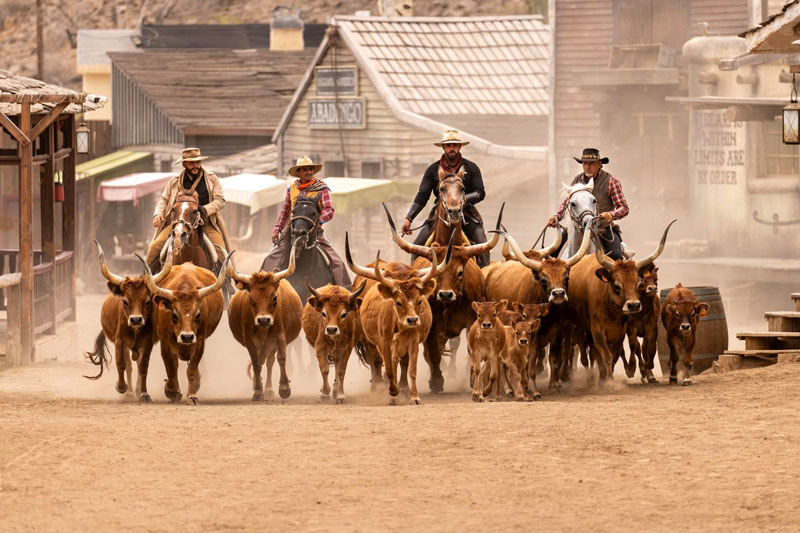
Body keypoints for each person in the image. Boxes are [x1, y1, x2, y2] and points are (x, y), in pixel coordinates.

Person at [400, 129, 489, 266]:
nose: (451, 148)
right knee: (416, 248)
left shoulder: (471, 168)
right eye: (448, 145)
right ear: (443, 147)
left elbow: (480, 192)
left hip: (465, 213)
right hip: (439, 214)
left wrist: (462, 200)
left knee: (483, 246)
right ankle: (417, 276)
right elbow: (423, 195)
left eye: (454, 145)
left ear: (459, 147)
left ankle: (484, 275)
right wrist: (409, 218)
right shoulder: (432, 169)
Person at [261, 155, 351, 287]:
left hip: (314, 232)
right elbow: (285, 211)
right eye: (305, 170)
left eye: (310, 169)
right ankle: (260, 288)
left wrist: (319, 221)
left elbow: (329, 209)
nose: (309, 172)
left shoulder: (322, 188)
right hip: (292, 233)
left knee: (337, 262)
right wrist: (277, 229)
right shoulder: (292, 189)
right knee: (270, 258)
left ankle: (344, 290)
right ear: (299, 173)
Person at [145, 147, 231, 271]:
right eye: (191, 163)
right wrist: (158, 214)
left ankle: (227, 280)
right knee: (154, 247)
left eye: (198, 162)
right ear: (184, 164)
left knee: (222, 252)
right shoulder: (174, 181)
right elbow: (163, 200)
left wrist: (205, 210)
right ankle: (146, 279)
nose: (195, 166)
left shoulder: (211, 179)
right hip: (178, 222)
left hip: (205, 223)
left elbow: (220, 200)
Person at [548, 148, 629, 260]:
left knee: (616, 256)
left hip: (603, 228)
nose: (587, 167)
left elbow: (624, 207)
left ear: (599, 164)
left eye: (591, 163)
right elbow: (568, 203)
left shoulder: (611, 181)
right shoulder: (577, 180)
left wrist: (611, 215)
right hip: (577, 227)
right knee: (551, 254)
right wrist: (557, 217)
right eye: (584, 163)